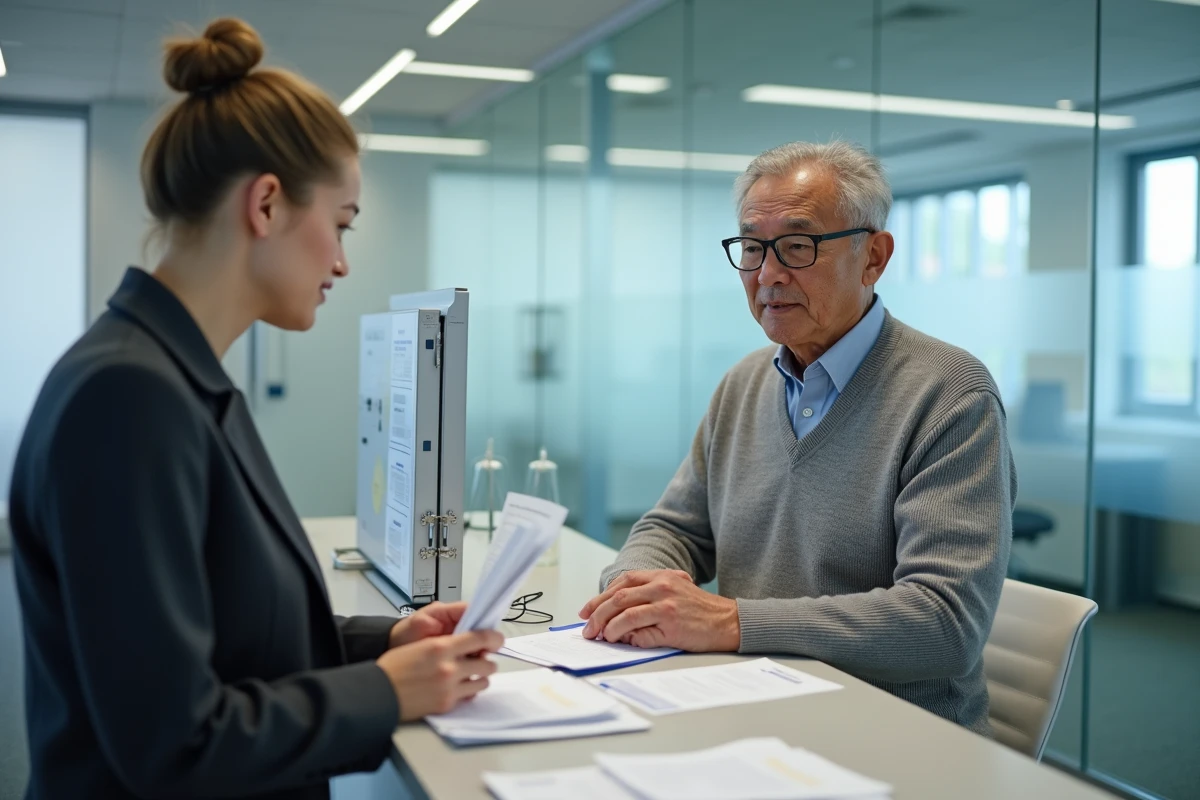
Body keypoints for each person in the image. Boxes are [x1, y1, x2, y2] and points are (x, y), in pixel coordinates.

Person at [8, 18, 501, 799]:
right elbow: (175, 740)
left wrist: (388, 647)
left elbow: (234, 638)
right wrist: (392, 691)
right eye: (339, 225)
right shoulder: (127, 397)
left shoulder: (174, 377)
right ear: (266, 204)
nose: (342, 261)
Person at [579, 141, 1015, 735]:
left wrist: (729, 622)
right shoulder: (745, 383)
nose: (768, 274)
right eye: (753, 248)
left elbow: (945, 623)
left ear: (874, 258)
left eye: (798, 246)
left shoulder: (949, 394)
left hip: (888, 732)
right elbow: (673, 528)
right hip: (747, 707)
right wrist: (633, 590)